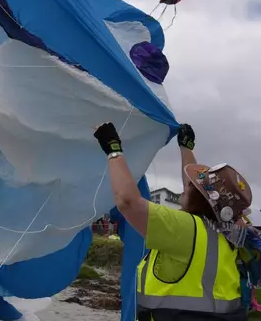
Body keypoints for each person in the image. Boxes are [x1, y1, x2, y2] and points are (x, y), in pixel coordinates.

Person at [93, 122, 251, 320]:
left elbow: (128, 201)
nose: (186, 187)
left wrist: (112, 148)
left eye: (193, 187)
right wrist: (186, 148)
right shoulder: (230, 232)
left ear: (201, 199)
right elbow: (202, 194)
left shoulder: (185, 229)